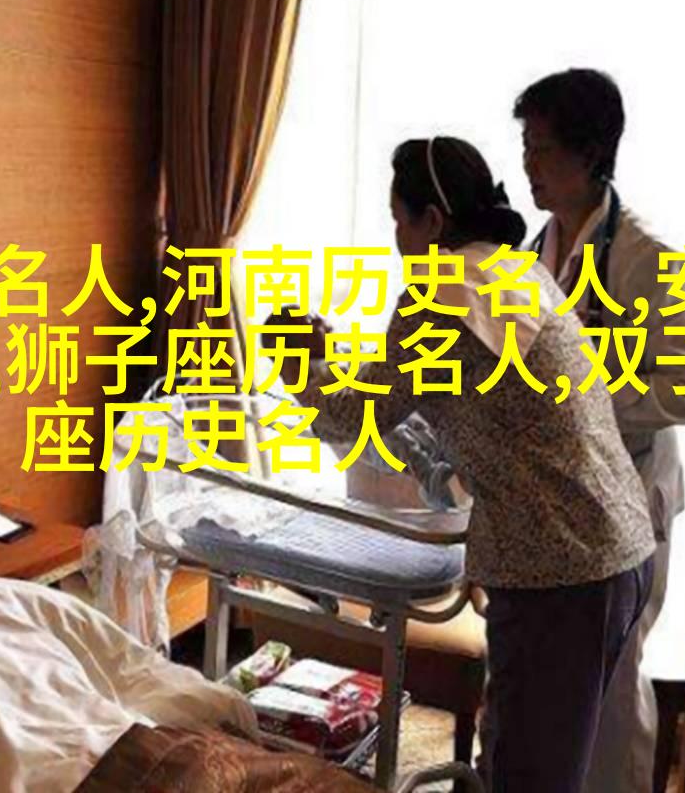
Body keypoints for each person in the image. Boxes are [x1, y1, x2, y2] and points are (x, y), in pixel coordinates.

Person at [269, 136, 655, 792]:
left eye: (399, 221)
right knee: (525, 754)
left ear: (432, 221)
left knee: (528, 773)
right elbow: (451, 396)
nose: (397, 238)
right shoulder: (514, 271)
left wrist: (300, 361)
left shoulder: (440, 291)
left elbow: (357, 415)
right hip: (610, 549)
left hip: (559, 568)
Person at [515, 68, 685, 793]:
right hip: (560, 495)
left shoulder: (647, 257)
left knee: (612, 684)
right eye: (525, 146)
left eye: (542, 148)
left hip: (628, 493)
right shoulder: (534, 250)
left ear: (592, 152)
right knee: (554, 682)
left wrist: (590, 399)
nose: (528, 164)